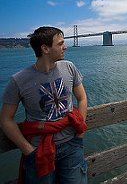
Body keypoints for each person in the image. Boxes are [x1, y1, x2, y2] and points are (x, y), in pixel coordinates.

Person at [0, 27, 88, 184]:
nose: (65, 47)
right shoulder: (18, 81)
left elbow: (81, 98)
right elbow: (6, 119)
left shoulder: (69, 67)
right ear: (45, 48)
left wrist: (79, 133)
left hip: (72, 145)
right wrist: (28, 150)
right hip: (39, 152)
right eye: (60, 43)